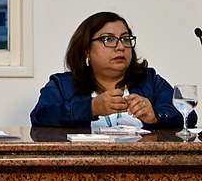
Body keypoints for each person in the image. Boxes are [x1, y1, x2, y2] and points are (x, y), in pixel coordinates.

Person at [30, 11, 195, 129]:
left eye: (125, 39)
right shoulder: (63, 85)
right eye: (108, 39)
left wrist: (155, 116)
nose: (120, 47)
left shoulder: (149, 80)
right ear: (86, 50)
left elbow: (189, 115)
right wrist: (91, 107)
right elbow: (40, 116)